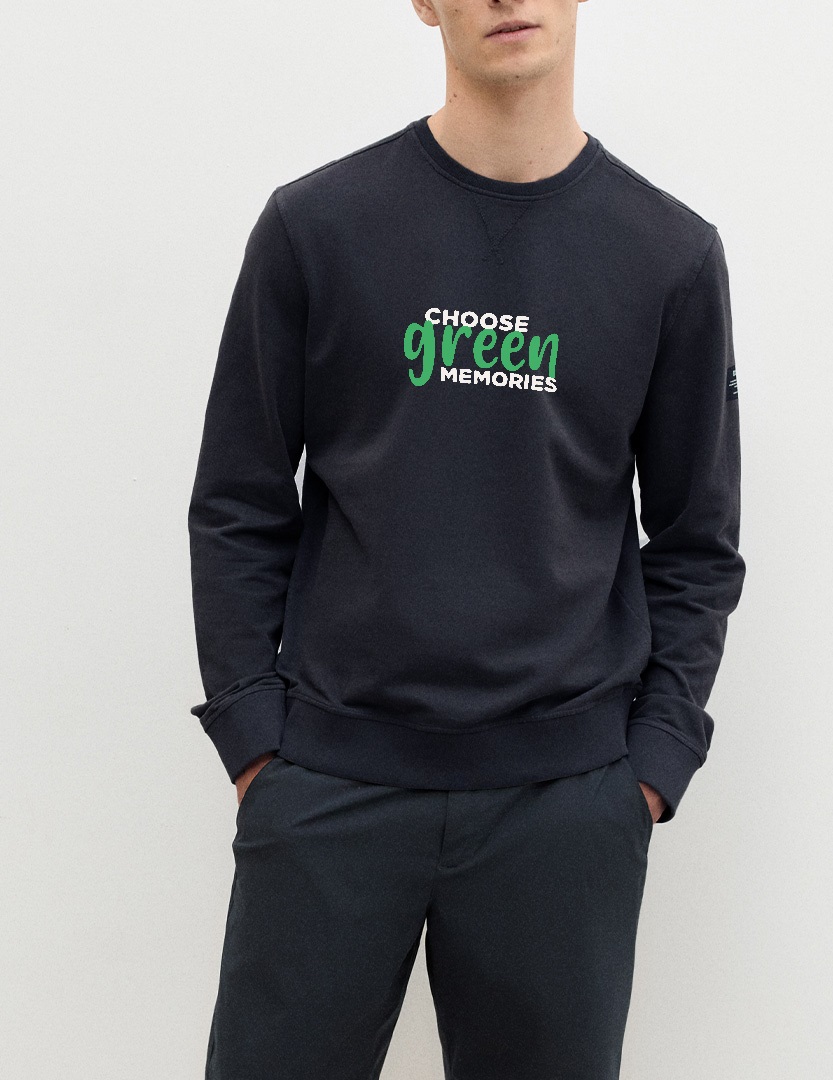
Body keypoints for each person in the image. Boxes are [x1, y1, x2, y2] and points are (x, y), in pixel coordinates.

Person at [187, 1, 746, 1076]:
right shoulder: (317, 227)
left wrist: (651, 766)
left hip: (565, 807)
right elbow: (238, 501)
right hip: (330, 785)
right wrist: (258, 740)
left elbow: (696, 540)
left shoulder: (668, 256)